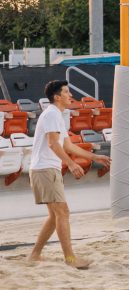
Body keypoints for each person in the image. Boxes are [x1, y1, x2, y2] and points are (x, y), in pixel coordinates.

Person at [28, 80, 111, 268]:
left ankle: (34, 255)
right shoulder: (51, 114)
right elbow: (53, 144)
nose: (71, 95)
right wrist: (72, 164)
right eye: (66, 92)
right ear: (57, 97)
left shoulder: (57, 115)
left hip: (47, 169)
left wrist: (94, 157)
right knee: (62, 212)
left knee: (55, 215)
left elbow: (68, 145)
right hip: (45, 169)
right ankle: (71, 259)